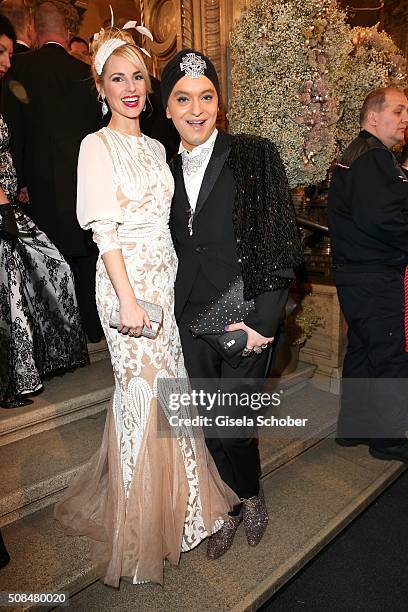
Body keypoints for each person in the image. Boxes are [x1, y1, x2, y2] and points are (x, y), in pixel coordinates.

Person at [54, 28, 237, 587]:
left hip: (168, 281)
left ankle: (183, 511)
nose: (130, 88)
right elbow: (103, 233)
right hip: (127, 286)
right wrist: (129, 302)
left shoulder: (157, 146)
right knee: (141, 392)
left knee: (171, 390)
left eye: (138, 76)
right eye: (117, 78)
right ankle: (141, 523)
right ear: (101, 87)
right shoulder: (95, 146)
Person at [161, 49, 302, 558]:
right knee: (208, 425)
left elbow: (279, 239)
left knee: (234, 427)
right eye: (183, 99)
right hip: (191, 319)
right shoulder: (162, 169)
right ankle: (231, 505)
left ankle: (251, 493)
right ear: (168, 108)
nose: (196, 109)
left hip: (245, 314)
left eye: (206, 96)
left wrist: (264, 320)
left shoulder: (253, 154)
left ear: (219, 103)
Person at [0, 13, 88, 408]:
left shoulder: (16, 77)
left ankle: (25, 369)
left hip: (18, 197)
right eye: (0, 51)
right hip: (11, 205)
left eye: (7, 51)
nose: (6, 60)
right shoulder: (77, 72)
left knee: (32, 279)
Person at [2, 2, 104, 342]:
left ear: (33, 29)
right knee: (87, 257)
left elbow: (13, 132)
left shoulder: (20, 69)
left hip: (39, 187)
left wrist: (19, 182)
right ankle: (93, 328)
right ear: (68, 32)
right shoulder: (86, 72)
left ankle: (61, 337)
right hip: (85, 184)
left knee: (49, 264)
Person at [328, 87, 408, 462]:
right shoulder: (375, 157)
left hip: (355, 276)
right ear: (373, 117)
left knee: (362, 351)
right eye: (399, 110)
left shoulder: (355, 154)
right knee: (389, 355)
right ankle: (389, 439)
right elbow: (384, 218)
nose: (405, 118)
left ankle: (354, 429)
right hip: (376, 275)